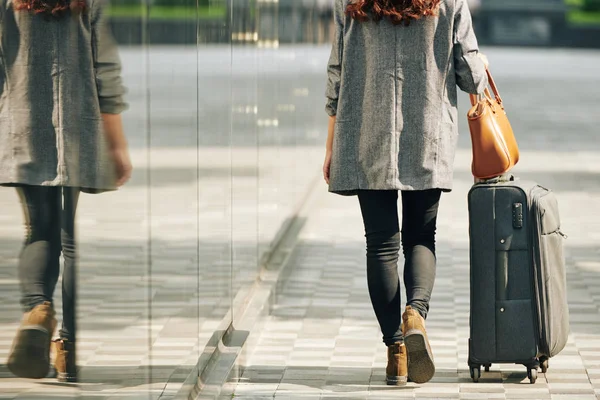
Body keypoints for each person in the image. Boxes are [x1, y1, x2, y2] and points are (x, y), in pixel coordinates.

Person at [323, 0, 488, 386]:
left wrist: (331, 144)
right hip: (427, 135)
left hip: (366, 133)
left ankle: (396, 351)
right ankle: (415, 312)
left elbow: (337, 71)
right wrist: (481, 66)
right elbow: (470, 75)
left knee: (380, 244)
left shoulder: (350, 3)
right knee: (420, 237)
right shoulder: (448, 3)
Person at [1, 0, 131, 382]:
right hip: (78, 128)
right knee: (68, 239)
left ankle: (38, 310)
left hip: (23, 127)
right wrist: (117, 144)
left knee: (38, 229)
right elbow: (106, 73)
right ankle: (66, 349)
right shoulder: (89, 3)